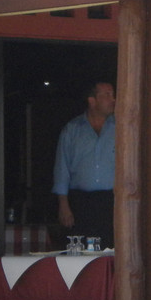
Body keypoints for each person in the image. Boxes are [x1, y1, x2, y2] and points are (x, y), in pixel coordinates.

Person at [52, 81, 116, 248]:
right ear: (92, 101)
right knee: (79, 251)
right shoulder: (72, 130)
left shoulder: (120, 128)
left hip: (111, 202)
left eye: (113, 95)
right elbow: (62, 170)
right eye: (107, 95)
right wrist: (63, 206)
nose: (113, 100)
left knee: (110, 250)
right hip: (80, 202)